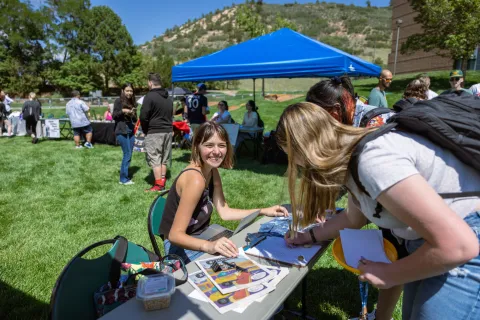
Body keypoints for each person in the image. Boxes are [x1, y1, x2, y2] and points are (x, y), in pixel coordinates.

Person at [278, 102, 480, 320]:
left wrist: (388, 274)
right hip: (430, 242)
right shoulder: (354, 158)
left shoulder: (372, 161)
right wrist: (308, 236)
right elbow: (352, 219)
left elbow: (460, 246)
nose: (301, 170)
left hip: (464, 239)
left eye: (296, 161)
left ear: (305, 150)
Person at [306, 76, 398, 320]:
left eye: (318, 121)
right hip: (402, 216)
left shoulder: (371, 131)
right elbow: (354, 205)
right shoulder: (355, 120)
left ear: (335, 112)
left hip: (433, 225)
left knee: (400, 261)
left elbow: (357, 208)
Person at [160, 121, 288, 263]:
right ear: (197, 147)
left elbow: (225, 212)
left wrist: (263, 211)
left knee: (246, 248)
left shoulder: (212, 171)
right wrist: (210, 246)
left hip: (202, 236)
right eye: (209, 145)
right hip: (179, 249)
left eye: (221, 145)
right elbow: (175, 235)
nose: (216, 151)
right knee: (239, 261)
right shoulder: (195, 180)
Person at [140, 73, 173, 192]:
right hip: (168, 131)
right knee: (164, 158)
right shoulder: (168, 98)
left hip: (155, 131)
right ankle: (162, 181)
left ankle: (158, 185)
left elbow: (143, 116)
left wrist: (145, 130)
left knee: (155, 158)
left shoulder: (149, 96)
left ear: (150, 82)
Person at [113, 83, 138, 185]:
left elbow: (136, 119)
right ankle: (123, 179)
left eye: (131, 91)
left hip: (130, 130)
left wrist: (132, 114)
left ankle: (125, 176)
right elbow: (114, 115)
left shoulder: (133, 102)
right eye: (127, 90)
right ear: (123, 91)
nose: (129, 93)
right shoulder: (118, 101)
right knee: (127, 153)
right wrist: (123, 111)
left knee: (129, 154)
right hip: (121, 130)